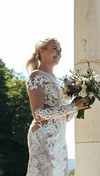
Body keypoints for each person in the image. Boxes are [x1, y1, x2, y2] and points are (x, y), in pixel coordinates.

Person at [25, 37, 90, 176]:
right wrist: (71, 107)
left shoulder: (60, 81)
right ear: (41, 51)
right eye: (54, 48)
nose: (59, 53)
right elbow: (38, 114)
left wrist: (78, 107)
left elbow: (63, 117)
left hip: (60, 138)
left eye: (60, 50)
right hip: (43, 136)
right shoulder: (36, 77)